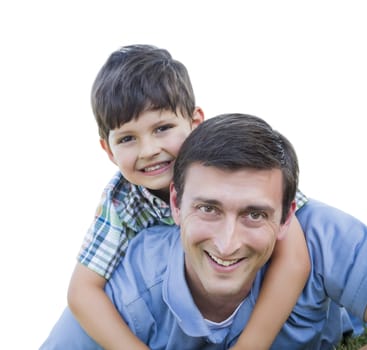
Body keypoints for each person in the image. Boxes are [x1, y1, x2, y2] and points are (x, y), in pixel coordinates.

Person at [40, 47, 310, 350]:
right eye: (128, 138)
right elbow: (83, 291)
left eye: (162, 128)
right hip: (175, 315)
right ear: (108, 150)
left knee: (321, 227)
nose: (148, 150)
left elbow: (295, 258)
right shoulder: (122, 201)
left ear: (195, 122)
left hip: (247, 297)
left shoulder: (233, 163)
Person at [41, 113, 367, 349]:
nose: (227, 244)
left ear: (286, 217)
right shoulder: (133, 285)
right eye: (208, 209)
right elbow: (82, 295)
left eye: (254, 214)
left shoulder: (320, 235)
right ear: (175, 204)